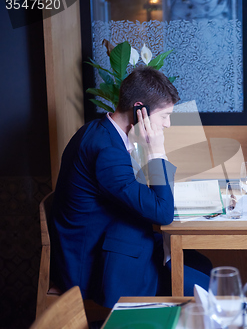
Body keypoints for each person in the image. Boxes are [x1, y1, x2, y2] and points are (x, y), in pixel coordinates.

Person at [50, 66, 211, 308]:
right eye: (164, 116)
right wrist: (157, 151)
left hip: (116, 240)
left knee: (204, 266)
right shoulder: (107, 152)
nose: (167, 125)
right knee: (209, 289)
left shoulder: (103, 132)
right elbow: (163, 213)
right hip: (98, 266)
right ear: (139, 110)